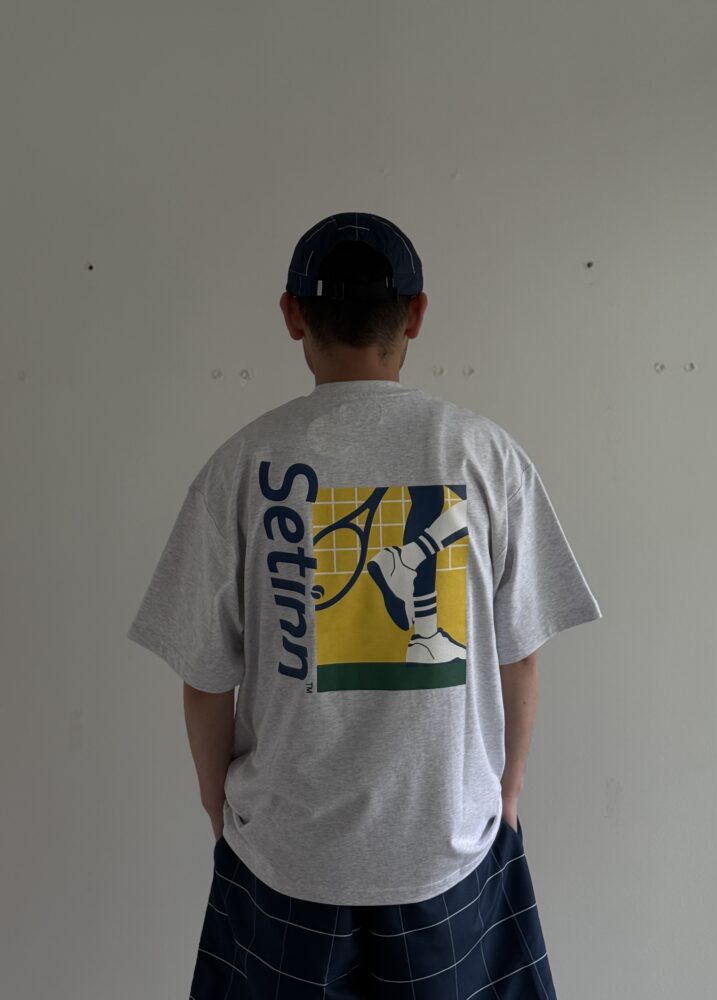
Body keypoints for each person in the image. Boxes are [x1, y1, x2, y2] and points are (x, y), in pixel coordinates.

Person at [127, 211, 603, 998]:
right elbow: (520, 655)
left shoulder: (241, 465)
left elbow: (206, 679)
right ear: (416, 313)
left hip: (285, 853)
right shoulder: (484, 454)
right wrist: (508, 793)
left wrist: (219, 809)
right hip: (447, 845)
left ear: (292, 315)